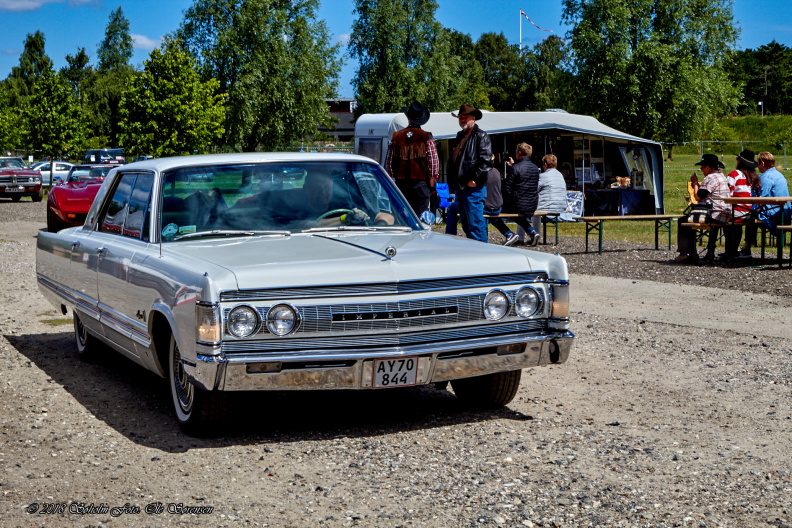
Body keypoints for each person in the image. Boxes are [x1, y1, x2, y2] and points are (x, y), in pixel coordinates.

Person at [674, 154, 732, 265]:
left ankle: (686, 254)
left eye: (702, 168)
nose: (701, 170)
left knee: (684, 221)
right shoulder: (722, 176)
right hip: (724, 213)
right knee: (688, 220)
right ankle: (693, 253)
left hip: (713, 214)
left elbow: (697, 197)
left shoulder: (710, 178)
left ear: (708, 168)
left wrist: (695, 183)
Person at [447, 103, 493, 242]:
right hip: (461, 188)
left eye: (465, 117)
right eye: (460, 117)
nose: (462, 120)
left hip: (473, 189)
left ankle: (483, 257)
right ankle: (476, 255)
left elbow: (486, 162)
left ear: (473, 118)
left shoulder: (481, 136)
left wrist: (474, 179)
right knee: (467, 227)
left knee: (476, 227)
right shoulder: (460, 136)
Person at [385, 101, 439, 215]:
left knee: (400, 218)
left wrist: (394, 179)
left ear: (408, 118)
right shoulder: (427, 137)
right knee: (419, 219)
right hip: (421, 186)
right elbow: (433, 165)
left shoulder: (396, 136)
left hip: (401, 185)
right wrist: (432, 187)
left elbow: (389, 164)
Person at [503, 142, 541, 247]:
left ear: (519, 153)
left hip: (518, 204)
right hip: (532, 204)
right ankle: (531, 232)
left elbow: (507, 189)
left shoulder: (515, 168)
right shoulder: (535, 168)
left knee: (496, 210)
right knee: (518, 211)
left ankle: (508, 233)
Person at [726, 150, 759, 260]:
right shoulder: (754, 177)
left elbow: (727, 194)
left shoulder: (734, 175)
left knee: (725, 217)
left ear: (740, 161)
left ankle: (730, 250)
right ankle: (735, 250)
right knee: (737, 220)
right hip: (750, 211)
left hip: (737, 211)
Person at [531, 154, 568, 236]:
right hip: (561, 206)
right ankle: (536, 234)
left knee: (526, 210)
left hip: (549, 206)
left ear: (545, 165)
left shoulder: (543, 176)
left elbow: (534, 190)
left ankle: (526, 236)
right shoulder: (560, 175)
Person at [756, 151, 791, 235]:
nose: (757, 165)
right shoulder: (780, 175)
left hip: (773, 216)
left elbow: (759, 197)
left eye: (758, 163)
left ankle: (747, 245)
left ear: (763, 163)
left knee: (747, 217)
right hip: (785, 215)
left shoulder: (765, 177)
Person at [482, 166, 519, 245]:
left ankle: (483, 239)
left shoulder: (481, 172)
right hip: (497, 206)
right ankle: (509, 233)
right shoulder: (496, 171)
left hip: (486, 207)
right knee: (493, 218)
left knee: (471, 209)